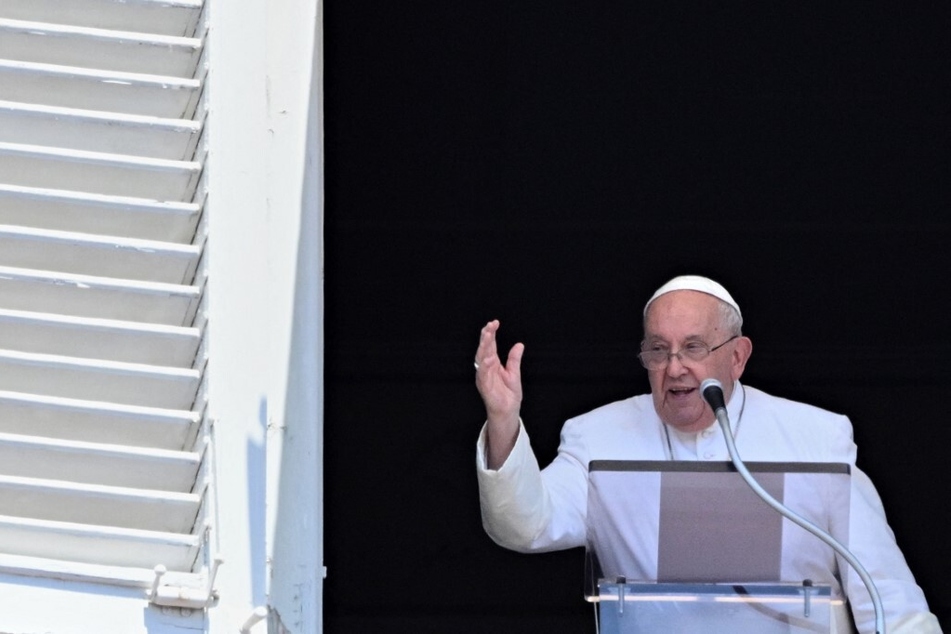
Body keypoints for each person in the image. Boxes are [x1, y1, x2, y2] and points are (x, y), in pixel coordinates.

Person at [473, 275, 941, 634]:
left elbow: (887, 595)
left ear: (737, 356)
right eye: (658, 350)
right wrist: (503, 420)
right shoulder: (598, 436)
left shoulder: (816, 437)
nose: (675, 367)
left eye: (693, 347)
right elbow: (524, 527)